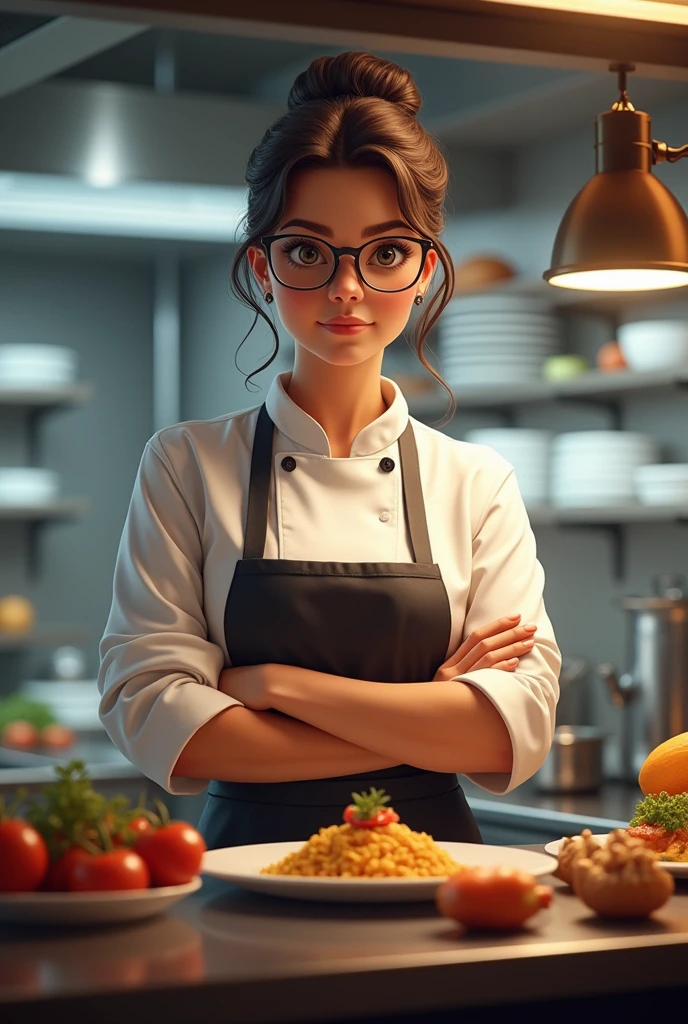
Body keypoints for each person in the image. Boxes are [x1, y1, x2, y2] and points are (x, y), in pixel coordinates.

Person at [97, 50, 561, 850]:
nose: (347, 288)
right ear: (264, 268)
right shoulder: (184, 465)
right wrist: (426, 712)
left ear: (424, 272)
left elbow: (508, 734)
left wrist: (276, 686)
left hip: (439, 879)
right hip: (249, 881)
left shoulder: (477, 482)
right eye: (309, 251)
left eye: (385, 253)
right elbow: (158, 720)